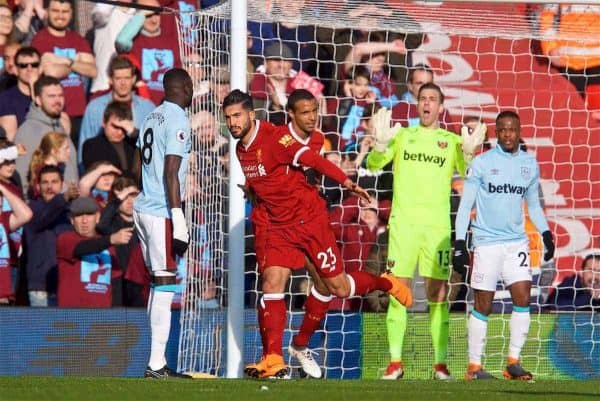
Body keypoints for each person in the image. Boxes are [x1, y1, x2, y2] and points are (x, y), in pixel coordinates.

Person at [223, 89, 412, 379]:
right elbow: (267, 177)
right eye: (228, 118)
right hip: (276, 226)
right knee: (272, 283)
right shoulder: (240, 148)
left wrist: (348, 183)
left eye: (237, 116)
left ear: (251, 114)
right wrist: (253, 189)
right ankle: (273, 358)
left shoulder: (277, 139)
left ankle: (383, 282)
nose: (233, 122)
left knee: (336, 287)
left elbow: (315, 161)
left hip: (309, 223)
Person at [366, 82, 485, 380]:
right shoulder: (403, 135)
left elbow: (468, 172)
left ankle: (440, 365)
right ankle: (395, 363)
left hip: (436, 229)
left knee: (438, 294)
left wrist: (470, 154)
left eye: (433, 99)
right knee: (396, 292)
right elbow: (373, 163)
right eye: (423, 99)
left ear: (441, 107)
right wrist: (380, 146)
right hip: (403, 227)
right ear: (418, 105)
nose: (427, 103)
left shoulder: (449, 140)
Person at [453, 110, 555, 381]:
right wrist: (460, 243)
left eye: (513, 129)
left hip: (516, 243)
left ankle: (513, 362)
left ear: (519, 131)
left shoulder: (529, 164)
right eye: (503, 130)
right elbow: (466, 205)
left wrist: (546, 233)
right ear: (496, 133)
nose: (508, 134)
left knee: (523, 298)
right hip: (486, 243)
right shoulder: (482, 163)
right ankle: (474, 367)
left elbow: (533, 204)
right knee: (483, 305)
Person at [132, 68, 193, 379]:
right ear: (184, 87)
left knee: (159, 282)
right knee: (166, 282)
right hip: (160, 211)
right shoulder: (179, 119)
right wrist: (179, 220)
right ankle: (156, 364)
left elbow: (136, 164)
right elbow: (171, 173)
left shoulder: (150, 116)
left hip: (142, 206)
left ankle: (156, 362)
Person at [31, 0, 97, 147]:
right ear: (47, 12)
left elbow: (93, 70)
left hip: (80, 113)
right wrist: (77, 62)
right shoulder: (40, 39)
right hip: (54, 114)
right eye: (55, 11)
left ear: (72, 14)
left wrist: (64, 61)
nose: (60, 16)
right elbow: (50, 72)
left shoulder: (78, 39)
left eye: (65, 11)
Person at [79, 56, 155, 170]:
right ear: (110, 79)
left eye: (127, 78)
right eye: (118, 78)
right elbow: (84, 144)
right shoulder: (95, 108)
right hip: (103, 176)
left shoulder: (148, 108)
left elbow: (154, 144)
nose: (123, 83)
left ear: (134, 79)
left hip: (139, 175)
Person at [56, 196, 132, 307]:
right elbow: (82, 248)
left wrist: (116, 315)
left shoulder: (109, 247)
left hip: (102, 315)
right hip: (72, 314)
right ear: (72, 220)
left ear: (97, 217)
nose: (84, 220)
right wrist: (111, 239)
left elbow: (115, 284)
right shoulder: (65, 239)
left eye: (89, 215)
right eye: (79, 216)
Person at [23, 164, 78, 306]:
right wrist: (64, 198)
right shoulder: (32, 208)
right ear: (38, 186)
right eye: (45, 182)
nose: (49, 187)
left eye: (54, 182)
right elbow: (44, 217)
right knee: (40, 328)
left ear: (62, 184)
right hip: (40, 289)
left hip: (65, 286)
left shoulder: (71, 211)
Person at [14, 75, 77, 195]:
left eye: (60, 95)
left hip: (68, 207)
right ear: (38, 100)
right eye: (51, 96)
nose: (58, 100)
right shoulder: (29, 131)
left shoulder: (59, 126)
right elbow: (22, 177)